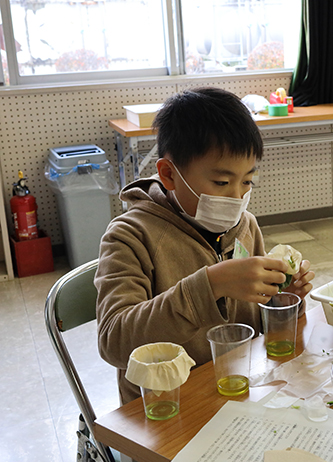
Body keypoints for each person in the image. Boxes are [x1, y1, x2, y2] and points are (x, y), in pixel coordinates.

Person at [95, 87, 315, 404]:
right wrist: (211, 286)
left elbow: (255, 328)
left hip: (239, 388)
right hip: (168, 406)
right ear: (169, 174)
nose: (238, 197)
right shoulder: (130, 236)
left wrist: (282, 300)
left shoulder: (245, 226)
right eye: (222, 183)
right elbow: (114, 342)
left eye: (247, 181)